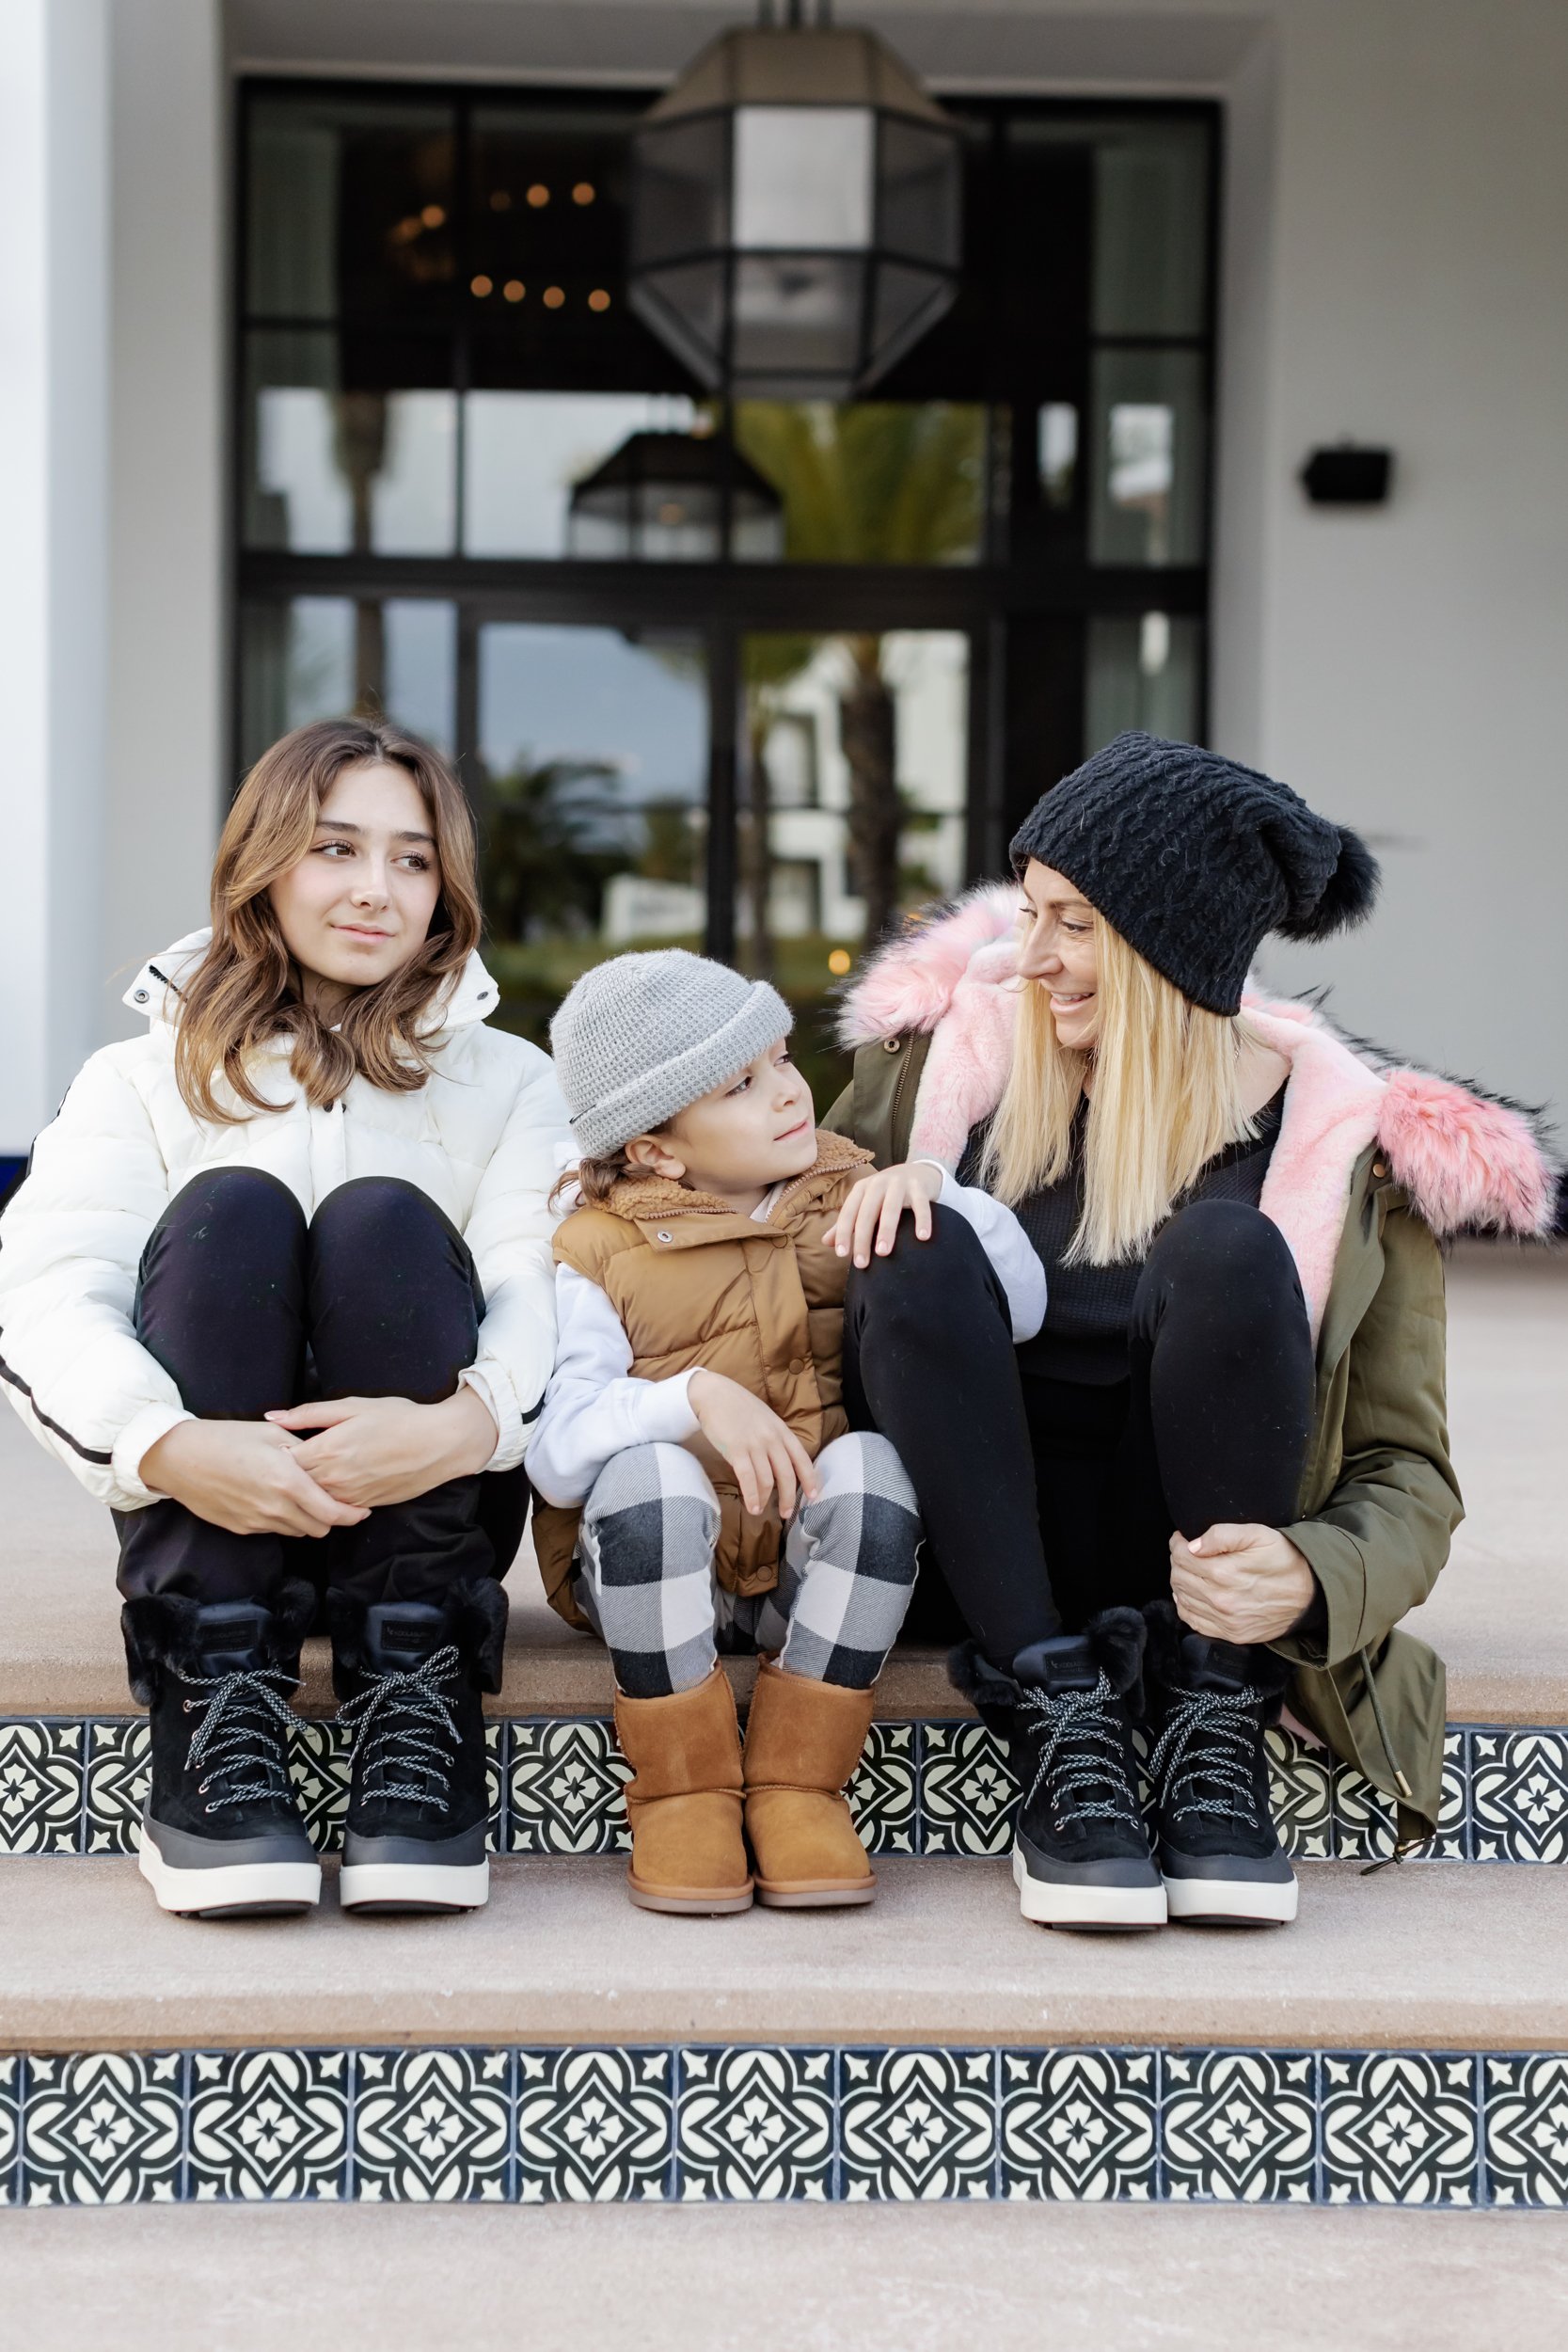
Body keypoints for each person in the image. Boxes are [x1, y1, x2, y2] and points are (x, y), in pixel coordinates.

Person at [826, 732, 1555, 1931]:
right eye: (1028, 912)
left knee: (1225, 1254)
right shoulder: (934, 1075)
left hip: (1184, 1572)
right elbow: (764, 1258)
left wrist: (1310, 1575)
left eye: (1073, 924)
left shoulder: (1347, 1155)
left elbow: (1405, 1474)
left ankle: (1213, 1718)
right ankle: (1058, 1713)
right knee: (910, 1235)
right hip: (970, 1557)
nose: (1029, 957)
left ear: (1169, 942)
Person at [0, 719, 569, 1919]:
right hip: (209, 1507)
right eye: (335, 848)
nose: (376, 890)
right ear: (264, 861)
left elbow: (544, 1280)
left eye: (413, 861)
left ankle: (415, 1694)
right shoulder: (139, 1075)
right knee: (232, 1209)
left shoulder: (511, 1078)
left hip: (421, 1499)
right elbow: (46, 1292)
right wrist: (165, 1445)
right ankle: (214, 1692)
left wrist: (473, 1422)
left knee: (382, 1218)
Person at [530, 948, 1044, 1915]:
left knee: (871, 1468)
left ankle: (798, 1780)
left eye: (778, 1059)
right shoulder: (597, 1246)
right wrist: (689, 1399)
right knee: (649, 1476)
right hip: (653, 1582)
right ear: (654, 1150)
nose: (786, 1093)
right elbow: (557, 1460)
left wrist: (938, 1192)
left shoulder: (849, 1190)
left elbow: (1018, 1310)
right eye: (740, 1084)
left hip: (799, 1587)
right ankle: (682, 1789)